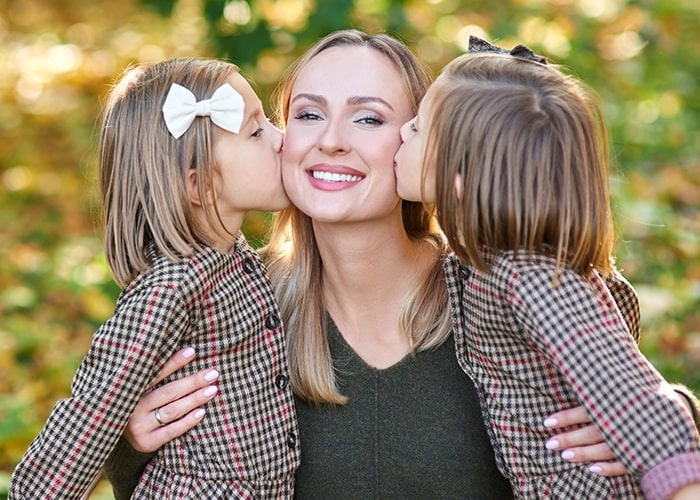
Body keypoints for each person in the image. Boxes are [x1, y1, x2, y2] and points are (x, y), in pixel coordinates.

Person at [103, 30, 699, 498]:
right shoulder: (228, 313)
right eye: (308, 114)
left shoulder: (500, 294)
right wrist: (131, 441)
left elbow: (624, 385)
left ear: (428, 144)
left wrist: (675, 416)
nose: (330, 140)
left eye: (370, 118)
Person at [393, 36, 700, 499]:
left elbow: (628, 389)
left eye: (416, 128)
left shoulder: (526, 274)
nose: (401, 132)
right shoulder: (481, 263)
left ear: (457, 178)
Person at [9, 57, 299, 499]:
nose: (283, 140)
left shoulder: (235, 258)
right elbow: (92, 412)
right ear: (199, 185)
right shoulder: (170, 290)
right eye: (257, 131)